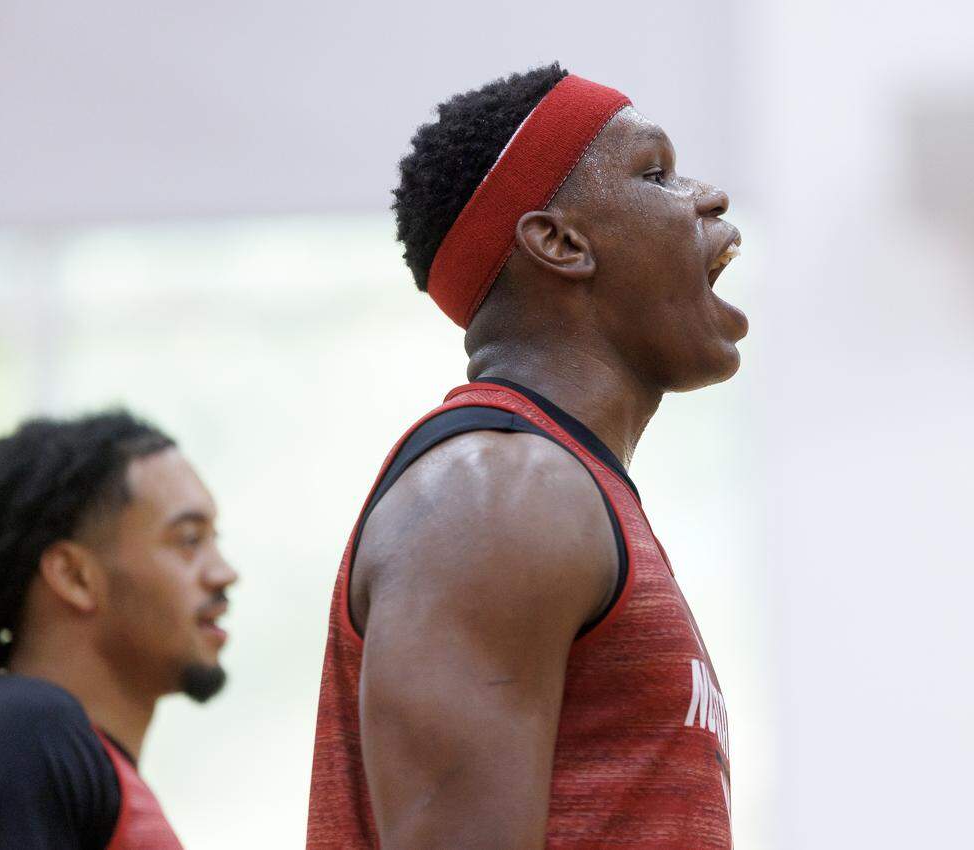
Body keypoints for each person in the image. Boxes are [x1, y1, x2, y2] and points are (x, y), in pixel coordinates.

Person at [308, 63, 744, 848]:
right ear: (559, 242)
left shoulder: (565, 493)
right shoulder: (500, 493)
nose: (708, 196)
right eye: (657, 173)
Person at [0, 410, 237, 849]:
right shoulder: (22, 733)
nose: (225, 573)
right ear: (75, 576)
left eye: (214, 539)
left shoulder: (74, 766)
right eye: (189, 539)